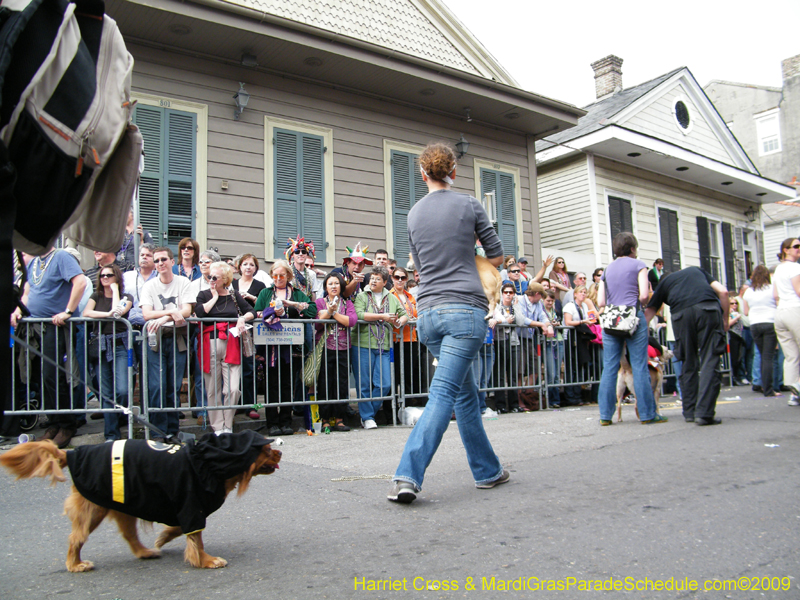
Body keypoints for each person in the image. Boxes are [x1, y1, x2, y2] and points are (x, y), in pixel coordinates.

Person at [389, 142, 508, 504]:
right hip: (464, 312)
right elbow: (499, 256)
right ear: (453, 172)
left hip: (427, 314)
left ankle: (488, 471)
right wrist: (467, 249)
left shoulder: (412, 214)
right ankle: (408, 474)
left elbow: (418, 265)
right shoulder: (469, 203)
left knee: (464, 394)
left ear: (422, 174)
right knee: (443, 394)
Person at [11, 248, 86, 448]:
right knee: (41, 376)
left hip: (55, 327)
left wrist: (68, 311)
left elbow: (80, 282)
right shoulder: (35, 262)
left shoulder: (61, 256)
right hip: (35, 326)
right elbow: (28, 292)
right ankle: (53, 423)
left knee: (55, 375)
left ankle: (66, 424)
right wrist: (19, 310)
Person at [645, 266, 730, 426]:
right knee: (710, 360)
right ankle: (704, 413)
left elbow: (649, 312)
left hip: (681, 315)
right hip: (708, 310)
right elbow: (724, 292)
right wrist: (725, 320)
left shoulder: (664, 283)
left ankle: (690, 412)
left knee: (687, 360)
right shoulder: (697, 270)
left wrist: (641, 336)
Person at [595, 233, 666, 425]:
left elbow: (601, 301)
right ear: (633, 248)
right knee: (639, 365)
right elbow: (643, 296)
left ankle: (605, 416)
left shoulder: (607, 270)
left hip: (611, 319)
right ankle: (647, 414)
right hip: (633, 317)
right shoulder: (639, 265)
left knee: (609, 367)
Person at [253, 260, 317, 436]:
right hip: (271, 347)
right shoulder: (266, 293)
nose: (278, 278)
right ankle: (272, 422)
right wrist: (272, 312)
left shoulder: (296, 293)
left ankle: (286, 421)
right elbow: (257, 312)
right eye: (275, 275)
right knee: (271, 384)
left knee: (288, 384)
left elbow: (312, 310)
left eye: (282, 275)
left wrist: (293, 304)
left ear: (288, 276)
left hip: (291, 347)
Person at [194, 262, 256, 435]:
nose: (211, 280)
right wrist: (213, 296)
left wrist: (243, 318)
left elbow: (253, 311)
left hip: (231, 344)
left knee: (233, 389)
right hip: (210, 343)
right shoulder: (203, 294)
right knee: (212, 389)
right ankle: (217, 427)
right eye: (209, 277)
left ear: (225, 279)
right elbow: (200, 313)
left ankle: (228, 424)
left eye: (215, 277)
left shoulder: (233, 295)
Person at [140, 247, 193, 440]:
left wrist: (162, 318)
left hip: (177, 338)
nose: (160, 263)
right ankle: (157, 432)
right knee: (157, 386)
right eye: (156, 261)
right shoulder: (149, 285)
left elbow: (186, 310)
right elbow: (147, 314)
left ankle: (172, 431)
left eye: (163, 259)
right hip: (155, 339)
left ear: (172, 262)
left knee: (173, 386)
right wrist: (171, 313)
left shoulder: (183, 282)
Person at [82, 264, 133, 441]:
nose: (105, 278)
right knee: (106, 391)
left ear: (117, 277)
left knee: (123, 390)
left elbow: (119, 312)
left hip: (120, 345)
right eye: (102, 275)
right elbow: (86, 312)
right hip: (101, 346)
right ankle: (111, 434)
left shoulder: (126, 296)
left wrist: (115, 291)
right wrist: (106, 314)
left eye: (109, 275)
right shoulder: (96, 295)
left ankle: (120, 417)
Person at [353, 266, 407, 428]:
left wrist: (399, 322)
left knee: (385, 384)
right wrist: (382, 316)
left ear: (384, 282)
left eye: (377, 279)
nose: (374, 281)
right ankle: (367, 417)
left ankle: (368, 413)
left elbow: (404, 314)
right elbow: (359, 314)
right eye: (372, 278)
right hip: (362, 344)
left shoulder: (391, 298)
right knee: (364, 384)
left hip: (384, 345)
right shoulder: (362, 296)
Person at [314, 272, 357, 432]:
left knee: (342, 383)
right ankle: (325, 419)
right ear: (326, 287)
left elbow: (351, 321)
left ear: (341, 286)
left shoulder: (347, 303)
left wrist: (333, 313)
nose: (334, 286)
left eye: (337, 283)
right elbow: (319, 322)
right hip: (325, 347)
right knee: (325, 383)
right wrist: (329, 313)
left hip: (344, 348)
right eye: (330, 283)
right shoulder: (319, 302)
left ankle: (339, 419)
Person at [232, 254, 267, 419]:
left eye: (251, 264)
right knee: (233, 368)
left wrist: (251, 297)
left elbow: (264, 306)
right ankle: (237, 404)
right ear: (239, 267)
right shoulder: (231, 283)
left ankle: (251, 404)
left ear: (256, 268)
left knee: (249, 367)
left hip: (251, 330)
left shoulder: (260, 286)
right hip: (233, 329)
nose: (248, 267)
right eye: (245, 264)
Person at [390, 266, 428, 403]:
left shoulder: (410, 295)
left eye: (403, 278)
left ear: (406, 279)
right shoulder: (388, 295)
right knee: (395, 376)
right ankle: (393, 410)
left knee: (411, 375)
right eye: (397, 277)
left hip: (411, 339)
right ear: (392, 278)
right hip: (395, 340)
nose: (400, 280)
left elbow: (416, 314)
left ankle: (410, 405)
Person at [742, 265, 779, 397]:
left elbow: (746, 312)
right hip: (770, 322)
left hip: (755, 324)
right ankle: (770, 389)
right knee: (769, 356)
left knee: (762, 356)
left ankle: (763, 386)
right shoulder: (772, 288)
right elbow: (778, 303)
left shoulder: (748, 292)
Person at [772, 237, 800, 406]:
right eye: (796, 246)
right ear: (786, 250)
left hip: (781, 311)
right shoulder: (795, 267)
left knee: (791, 356)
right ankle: (796, 387)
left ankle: (794, 393)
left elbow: (775, 295)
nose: (799, 248)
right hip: (795, 309)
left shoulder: (778, 269)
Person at [562, 284, 595, 407]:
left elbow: (591, 318)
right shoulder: (569, 306)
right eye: (581, 292)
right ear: (575, 294)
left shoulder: (585, 306)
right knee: (571, 367)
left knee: (581, 366)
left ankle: (578, 394)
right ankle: (570, 397)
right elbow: (568, 322)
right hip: (570, 338)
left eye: (585, 292)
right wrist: (582, 322)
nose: (583, 294)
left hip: (581, 338)